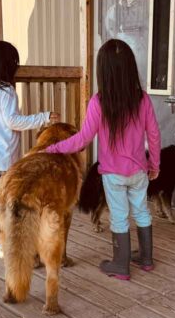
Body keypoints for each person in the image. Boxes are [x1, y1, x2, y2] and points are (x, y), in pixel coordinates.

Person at [46, 39, 161, 280]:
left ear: (103, 70)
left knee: (119, 216)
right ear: (131, 67)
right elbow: (154, 134)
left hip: (113, 174)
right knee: (141, 211)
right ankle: (146, 258)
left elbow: (82, 140)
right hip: (140, 170)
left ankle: (121, 265)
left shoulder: (98, 102)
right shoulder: (143, 99)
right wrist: (155, 164)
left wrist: (53, 148)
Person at [0, 40, 59, 248]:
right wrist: (44, 117)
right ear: (6, 66)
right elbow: (13, 121)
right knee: (9, 199)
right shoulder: (6, 91)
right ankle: (4, 236)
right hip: (3, 159)